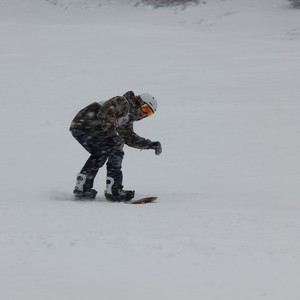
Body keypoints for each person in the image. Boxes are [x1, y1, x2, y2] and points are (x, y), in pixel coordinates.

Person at [70, 91, 162, 201]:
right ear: (139, 102)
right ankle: (114, 190)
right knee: (115, 149)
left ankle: (82, 188)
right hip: (87, 124)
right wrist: (113, 135)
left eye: (149, 114)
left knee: (101, 153)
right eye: (145, 109)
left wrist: (149, 144)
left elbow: (129, 137)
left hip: (80, 127)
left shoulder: (127, 118)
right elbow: (103, 114)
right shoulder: (123, 102)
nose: (144, 115)